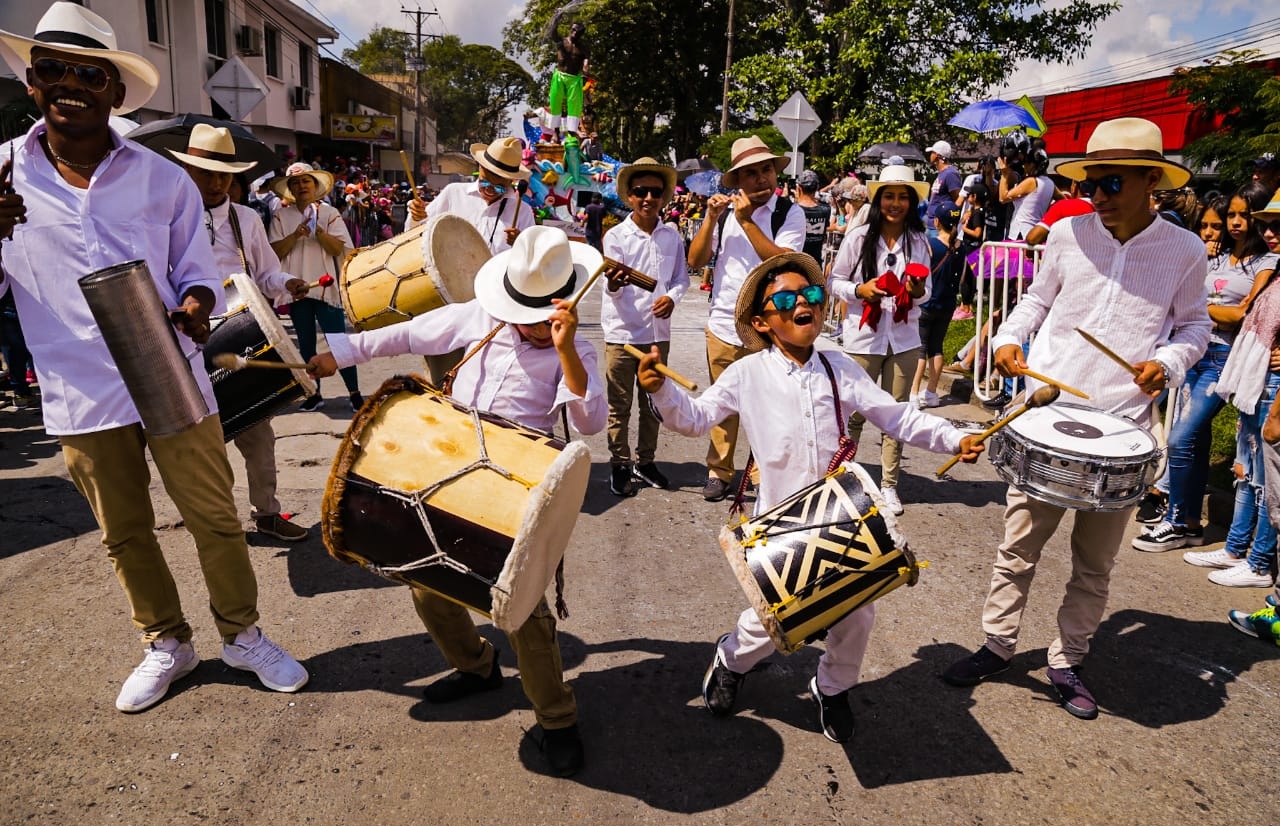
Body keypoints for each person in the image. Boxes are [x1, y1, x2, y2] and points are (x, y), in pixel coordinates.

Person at [0, 2, 308, 713]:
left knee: (214, 517)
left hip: (172, 375)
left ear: (115, 90)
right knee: (124, 531)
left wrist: (198, 305)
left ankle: (242, 634)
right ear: (31, 83)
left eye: (89, 73)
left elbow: (195, 267)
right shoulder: (3, 177)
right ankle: (167, 642)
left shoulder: (160, 176)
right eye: (53, 69)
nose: (70, 83)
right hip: (78, 388)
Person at [636, 252, 982, 741]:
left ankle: (833, 688)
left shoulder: (840, 366)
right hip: (779, 523)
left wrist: (952, 437)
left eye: (812, 295)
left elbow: (896, 416)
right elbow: (693, 418)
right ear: (763, 321)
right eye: (786, 299)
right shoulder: (746, 373)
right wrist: (661, 393)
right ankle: (731, 661)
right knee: (770, 620)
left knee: (857, 612)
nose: (804, 303)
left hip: (844, 515)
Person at [307, 226, 605, 777]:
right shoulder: (481, 319)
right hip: (447, 470)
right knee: (429, 586)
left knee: (526, 616)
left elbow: (587, 422)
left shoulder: (578, 349)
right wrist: (339, 353)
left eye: (546, 317)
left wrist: (565, 352)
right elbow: (411, 334)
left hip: (515, 490)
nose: (534, 326)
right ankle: (476, 666)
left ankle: (558, 720)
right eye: (525, 315)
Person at [941, 117, 1212, 720]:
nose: (1100, 196)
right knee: (1018, 548)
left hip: (1122, 426)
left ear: (1151, 182)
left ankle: (1067, 661)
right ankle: (996, 644)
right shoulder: (1068, 234)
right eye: (1093, 184)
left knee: (1094, 565)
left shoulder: (1185, 250)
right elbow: (1037, 298)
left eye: (1113, 183)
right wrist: (1010, 336)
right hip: (1048, 411)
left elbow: (1195, 326)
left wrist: (1165, 362)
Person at [170, 124, 312, 542]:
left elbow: (266, 273)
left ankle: (266, 513)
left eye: (224, 175)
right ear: (188, 172)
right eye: (206, 172)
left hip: (240, 335)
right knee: (198, 445)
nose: (215, 182)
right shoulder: (164, 217)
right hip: (184, 342)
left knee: (258, 437)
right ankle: (212, 522)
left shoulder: (246, 218)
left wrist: (287, 283)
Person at [1132, 182, 1276, 554]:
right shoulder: (1214, 257)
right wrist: (1210, 313)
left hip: (1224, 361)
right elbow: (1184, 303)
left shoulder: (1266, 262)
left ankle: (1177, 519)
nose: (1236, 223)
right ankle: (1189, 522)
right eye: (1232, 215)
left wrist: (1202, 311)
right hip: (1195, 354)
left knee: (1180, 437)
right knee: (1193, 442)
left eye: (1245, 215)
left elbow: (1243, 313)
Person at [686, 134, 805, 501]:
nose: (761, 179)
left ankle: (760, 473)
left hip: (773, 327)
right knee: (723, 404)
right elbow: (696, 261)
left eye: (766, 169)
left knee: (770, 404)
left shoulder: (789, 212)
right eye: (750, 173)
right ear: (737, 180)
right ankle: (719, 470)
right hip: (724, 323)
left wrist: (748, 222)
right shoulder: (725, 215)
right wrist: (710, 219)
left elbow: (784, 262)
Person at [826, 164, 932, 516]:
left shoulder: (918, 240)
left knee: (895, 414)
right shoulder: (858, 238)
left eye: (903, 197)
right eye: (890, 196)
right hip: (863, 337)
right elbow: (835, 281)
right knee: (852, 412)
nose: (896, 203)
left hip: (903, 339)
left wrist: (916, 292)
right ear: (878, 199)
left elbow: (926, 293)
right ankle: (843, 479)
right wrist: (861, 290)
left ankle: (889, 485)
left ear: (912, 202)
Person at [600, 158, 689, 496]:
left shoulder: (672, 237)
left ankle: (645, 461)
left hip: (657, 333)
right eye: (641, 192)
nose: (648, 198)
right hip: (623, 333)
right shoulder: (617, 236)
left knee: (653, 403)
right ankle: (620, 464)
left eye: (655, 192)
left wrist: (673, 299)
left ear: (664, 197)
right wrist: (615, 283)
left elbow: (680, 279)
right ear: (630, 197)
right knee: (619, 405)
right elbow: (610, 287)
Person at [267, 162, 361, 413]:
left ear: (315, 184)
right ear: (290, 188)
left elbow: (338, 249)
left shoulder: (329, 213)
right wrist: (295, 235)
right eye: (295, 182)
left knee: (338, 341)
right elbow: (273, 252)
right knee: (306, 345)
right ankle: (314, 393)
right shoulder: (280, 215)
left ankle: (354, 392)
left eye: (305, 181)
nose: (301, 186)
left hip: (324, 286)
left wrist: (318, 232)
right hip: (296, 287)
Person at [406, 136, 534, 255]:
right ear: (480, 168)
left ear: (511, 181)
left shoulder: (523, 212)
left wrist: (521, 244)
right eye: (484, 182)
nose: (490, 190)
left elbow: (531, 258)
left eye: (499, 187)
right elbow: (416, 232)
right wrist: (416, 216)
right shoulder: (453, 193)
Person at [910, 206, 966, 409]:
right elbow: (962, 276)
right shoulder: (961, 246)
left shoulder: (931, 244)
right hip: (948, 302)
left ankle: (914, 392)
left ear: (936, 222)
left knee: (921, 348)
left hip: (928, 301)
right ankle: (931, 393)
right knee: (936, 346)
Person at [542, 1, 590, 140]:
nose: (575, 33)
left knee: (574, 106)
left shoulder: (583, 48)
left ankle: (571, 133)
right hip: (559, 76)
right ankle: (556, 132)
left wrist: (586, 71)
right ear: (570, 30)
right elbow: (552, 33)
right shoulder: (562, 42)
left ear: (581, 34)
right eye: (573, 30)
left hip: (574, 79)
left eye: (578, 32)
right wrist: (557, 16)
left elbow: (586, 61)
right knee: (555, 102)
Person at [1000, 147, 1055, 241]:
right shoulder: (1050, 183)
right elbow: (1062, 198)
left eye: (1026, 163)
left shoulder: (1031, 182)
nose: (1024, 166)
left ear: (1033, 165)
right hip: (1037, 232)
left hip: (1021, 232)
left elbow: (1003, 198)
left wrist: (1004, 174)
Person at [794, 169, 831, 263]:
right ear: (817, 188)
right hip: (815, 262)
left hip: (796, 261)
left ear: (799, 188)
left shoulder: (793, 210)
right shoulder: (825, 210)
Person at [925, 140, 962, 228]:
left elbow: (958, 199)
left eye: (932, 152)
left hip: (940, 226)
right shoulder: (941, 173)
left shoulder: (950, 174)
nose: (930, 155)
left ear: (938, 155)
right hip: (932, 223)